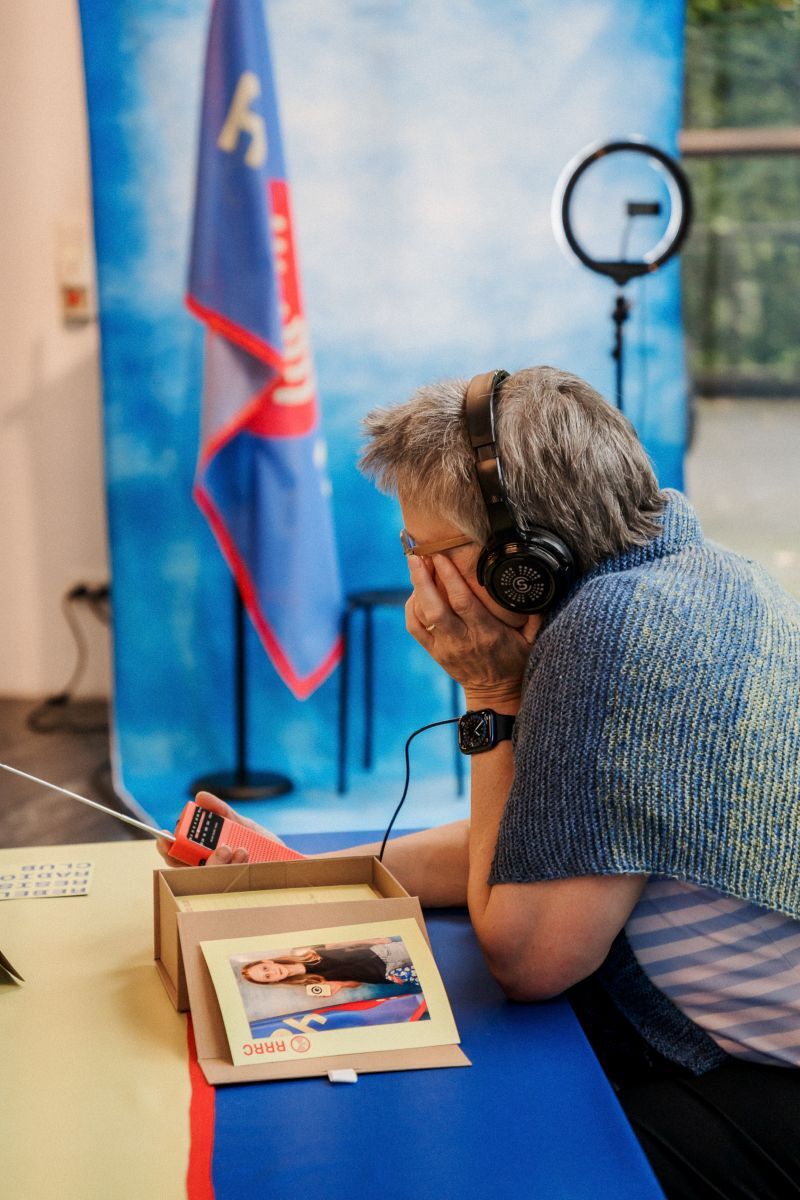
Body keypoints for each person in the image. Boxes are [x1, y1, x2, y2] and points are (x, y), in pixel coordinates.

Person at [160, 365, 800, 1199]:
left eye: (428, 553)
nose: (420, 584)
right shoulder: (690, 574)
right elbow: (566, 840)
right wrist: (294, 873)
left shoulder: (612, 630)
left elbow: (529, 957)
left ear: (520, 564)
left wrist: (490, 696)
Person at [240, 938, 419, 994]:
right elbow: (356, 982)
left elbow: (340, 944)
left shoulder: (303, 950)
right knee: (429, 975)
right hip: (384, 976)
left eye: (265, 969)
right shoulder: (311, 985)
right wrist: (339, 985)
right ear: (273, 982)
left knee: (425, 953)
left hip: (381, 952)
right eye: (268, 977)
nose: (271, 972)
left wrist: (373, 940)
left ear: (267, 961)